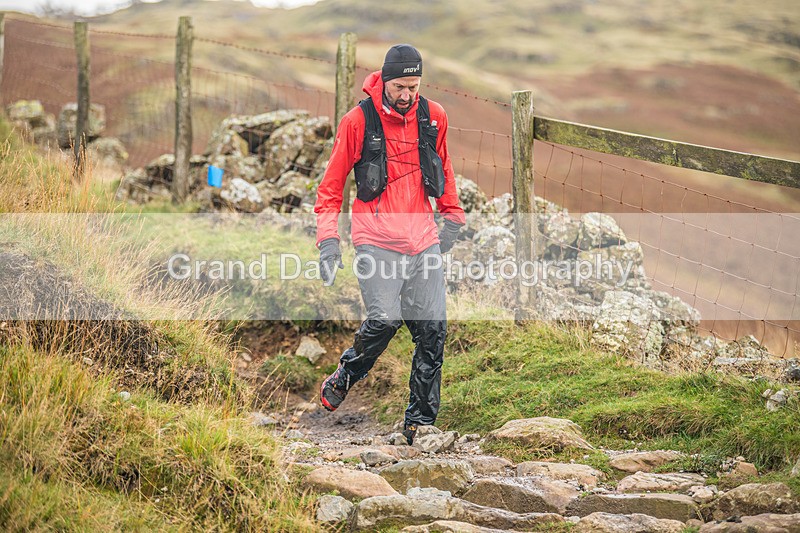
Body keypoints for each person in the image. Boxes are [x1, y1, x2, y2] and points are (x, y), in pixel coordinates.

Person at [313, 44, 466, 445]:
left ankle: (419, 424)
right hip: (375, 241)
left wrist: (452, 215)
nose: (407, 95)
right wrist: (328, 241)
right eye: (400, 86)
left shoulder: (434, 117)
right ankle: (346, 374)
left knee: (433, 333)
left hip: (423, 240)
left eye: (414, 86)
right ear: (384, 81)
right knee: (384, 319)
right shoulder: (356, 122)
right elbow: (330, 189)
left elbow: (444, 167)